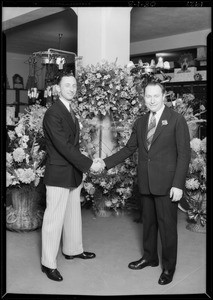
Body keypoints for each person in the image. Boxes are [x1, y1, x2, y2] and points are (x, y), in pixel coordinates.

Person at [98, 81, 191, 285]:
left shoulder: (176, 120)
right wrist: (104, 163)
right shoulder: (141, 122)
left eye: (156, 96)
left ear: (164, 96)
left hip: (167, 185)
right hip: (146, 182)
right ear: (144, 98)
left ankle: (168, 268)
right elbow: (129, 149)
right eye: (148, 96)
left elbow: (184, 155)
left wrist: (178, 184)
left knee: (167, 228)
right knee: (148, 224)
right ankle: (150, 257)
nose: (151, 100)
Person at [41, 71, 104, 281]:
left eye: (74, 85)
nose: (71, 88)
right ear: (58, 88)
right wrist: (88, 164)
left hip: (72, 172)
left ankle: (73, 250)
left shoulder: (70, 110)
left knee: (72, 216)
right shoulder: (53, 113)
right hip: (58, 172)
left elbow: (73, 144)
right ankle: (48, 263)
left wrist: (84, 163)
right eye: (67, 85)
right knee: (53, 219)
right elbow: (63, 146)